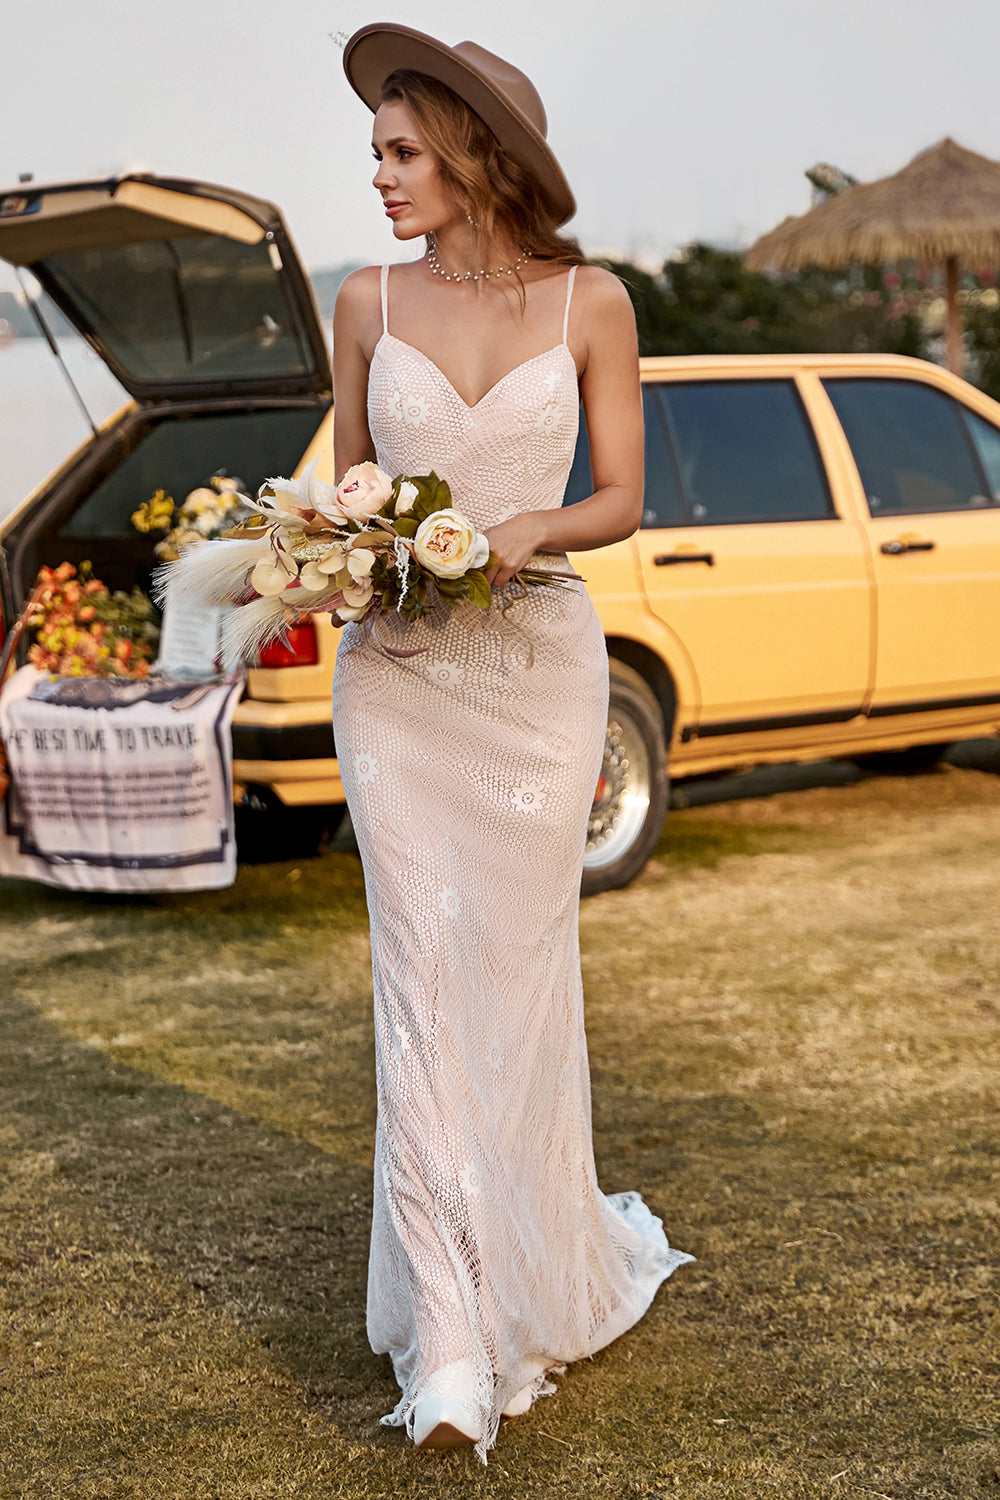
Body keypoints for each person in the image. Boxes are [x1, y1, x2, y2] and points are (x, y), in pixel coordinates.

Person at [332, 23, 693, 1462]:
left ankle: (536, 1268)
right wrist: (318, 552)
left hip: (536, 672)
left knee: (514, 983)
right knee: (421, 976)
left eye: (403, 151)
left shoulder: (592, 302)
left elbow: (622, 495)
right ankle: (453, 1348)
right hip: (401, 680)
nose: (380, 176)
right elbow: (339, 472)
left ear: (478, 154)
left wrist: (533, 527)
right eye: (374, 152)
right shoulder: (365, 300)